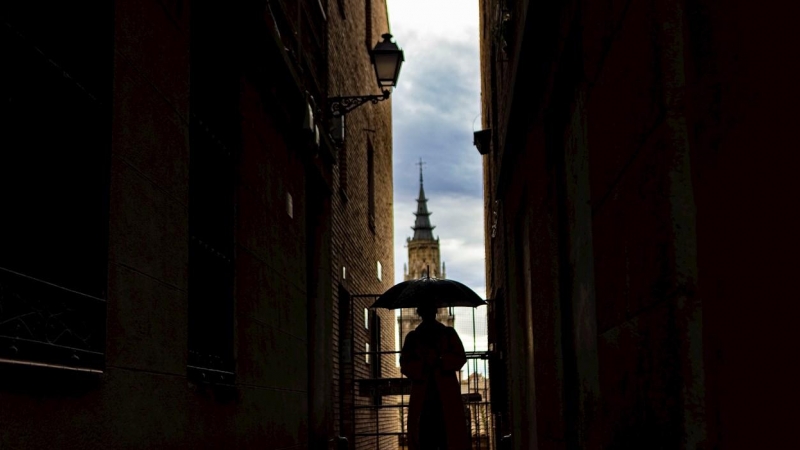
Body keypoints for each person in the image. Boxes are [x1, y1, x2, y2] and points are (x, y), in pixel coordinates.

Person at [400, 303, 469, 450]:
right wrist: (424, 364)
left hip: (444, 394)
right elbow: (405, 365)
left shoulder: (447, 334)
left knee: (446, 435)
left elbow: (460, 358)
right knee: (425, 435)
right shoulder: (413, 338)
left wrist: (439, 360)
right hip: (425, 396)